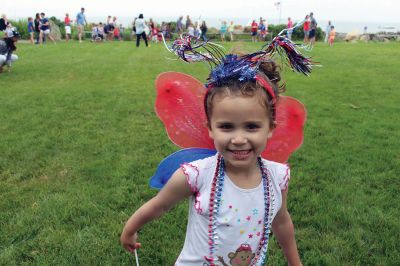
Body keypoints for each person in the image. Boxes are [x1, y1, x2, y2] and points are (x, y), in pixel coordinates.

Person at [120, 44, 304, 264]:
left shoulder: (278, 176)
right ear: (210, 128)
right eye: (226, 127)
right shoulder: (197, 175)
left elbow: (281, 221)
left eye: (252, 127)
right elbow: (160, 204)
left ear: (271, 127)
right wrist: (130, 229)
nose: (238, 139)